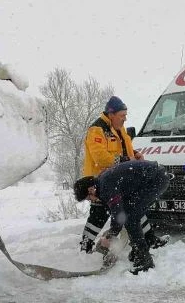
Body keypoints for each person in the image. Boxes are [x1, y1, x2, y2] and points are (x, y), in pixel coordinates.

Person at [79, 95, 168, 255]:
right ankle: (85, 246)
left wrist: (135, 155)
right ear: (111, 114)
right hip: (100, 182)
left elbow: (125, 150)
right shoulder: (97, 130)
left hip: (120, 181)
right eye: (122, 116)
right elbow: (100, 157)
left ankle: (149, 239)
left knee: (135, 208)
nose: (125, 119)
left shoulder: (119, 129)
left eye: (125, 115)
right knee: (98, 216)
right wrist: (126, 160)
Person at [73, 160, 170, 274]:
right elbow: (118, 210)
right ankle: (139, 249)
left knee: (131, 219)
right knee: (130, 213)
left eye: (89, 198)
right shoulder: (102, 183)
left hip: (156, 179)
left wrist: (111, 235)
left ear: (91, 190)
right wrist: (112, 232)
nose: (91, 201)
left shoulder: (105, 187)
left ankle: (145, 261)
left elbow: (118, 214)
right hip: (153, 177)